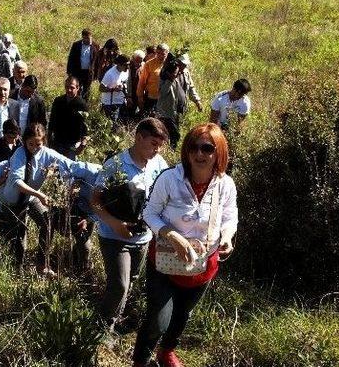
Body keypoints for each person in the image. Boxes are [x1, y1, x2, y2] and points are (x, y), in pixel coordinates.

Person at [132, 123, 238, 367]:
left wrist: (227, 236)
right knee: (159, 318)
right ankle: (140, 360)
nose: (199, 154)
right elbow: (150, 213)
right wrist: (173, 236)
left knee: (182, 315)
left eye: (207, 148)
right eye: (193, 147)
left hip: (202, 265)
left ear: (219, 152)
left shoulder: (225, 185)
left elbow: (230, 217)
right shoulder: (170, 178)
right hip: (165, 262)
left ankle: (166, 352)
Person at [91, 118, 169, 334]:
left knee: (130, 281)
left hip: (142, 238)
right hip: (114, 237)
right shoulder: (115, 164)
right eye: (153, 143)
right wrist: (115, 224)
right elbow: (95, 200)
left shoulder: (159, 164)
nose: (157, 149)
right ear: (138, 137)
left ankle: (115, 319)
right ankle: (101, 329)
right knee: (119, 285)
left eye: (160, 145)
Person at [0, 123, 74, 273]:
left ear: (43, 142)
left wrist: (88, 171)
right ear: (24, 141)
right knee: (18, 236)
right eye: (31, 144)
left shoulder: (46, 153)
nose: (34, 147)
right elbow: (17, 182)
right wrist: (39, 194)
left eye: (38, 144)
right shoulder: (19, 154)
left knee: (47, 223)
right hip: (12, 201)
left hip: (30, 198)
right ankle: (17, 270)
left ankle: (42, 265)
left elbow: (68, 163)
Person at [155, 55, 203, 149]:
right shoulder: (166, 73)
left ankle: (170, 148)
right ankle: (168, 150)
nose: (184, 66)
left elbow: (191, 88)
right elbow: (162, 93)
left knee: (175, 131)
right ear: (177, 63)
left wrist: (197, 101)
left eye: (185, 65)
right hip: (167, 110)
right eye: (182, 64)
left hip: (179, 109)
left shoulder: (185, 72)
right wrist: (170, 79)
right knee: (173, 133)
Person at [48, 77, 88, 160]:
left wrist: (83, 144)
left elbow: (85, 126)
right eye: (67, 87)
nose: (69, 90)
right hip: (57, 141)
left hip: (72, 143)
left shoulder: (82, 104)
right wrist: (49, 138)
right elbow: (52, 120)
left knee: (68, 167)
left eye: (72, 88)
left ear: (77, 88)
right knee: (53, 166)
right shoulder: (58, 101)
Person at [66, 29, 100, 102]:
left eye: (90, 38)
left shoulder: (95, 46)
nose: (89, 40)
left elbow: (97, 61)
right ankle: (75, 103)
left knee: (87, 90)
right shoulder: (76, 45)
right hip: (77, 72)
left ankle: (84, 105)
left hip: (88, 73)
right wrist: (69, 72)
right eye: (87, 38)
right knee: (76, 89)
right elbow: (71, 58)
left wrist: (96, 74)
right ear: (83, 37)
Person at [137, 43, 169, 115]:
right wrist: (140, 97)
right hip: (152, 98)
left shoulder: (171, 64)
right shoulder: (149, 64)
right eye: (158, 53)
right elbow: (142, 82)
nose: (160, 56)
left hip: (166, 99)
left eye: (163, 54)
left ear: (167, 53)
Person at [100, 54, 130, 126]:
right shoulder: (110, 74)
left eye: (129, 64)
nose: (128, 67)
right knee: (112, 125)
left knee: (121, 123)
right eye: (126, 65)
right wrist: (113, 89)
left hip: (121, 101)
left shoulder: (125, 71)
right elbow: (101, 88)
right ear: (119, 64)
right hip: (110, 103)